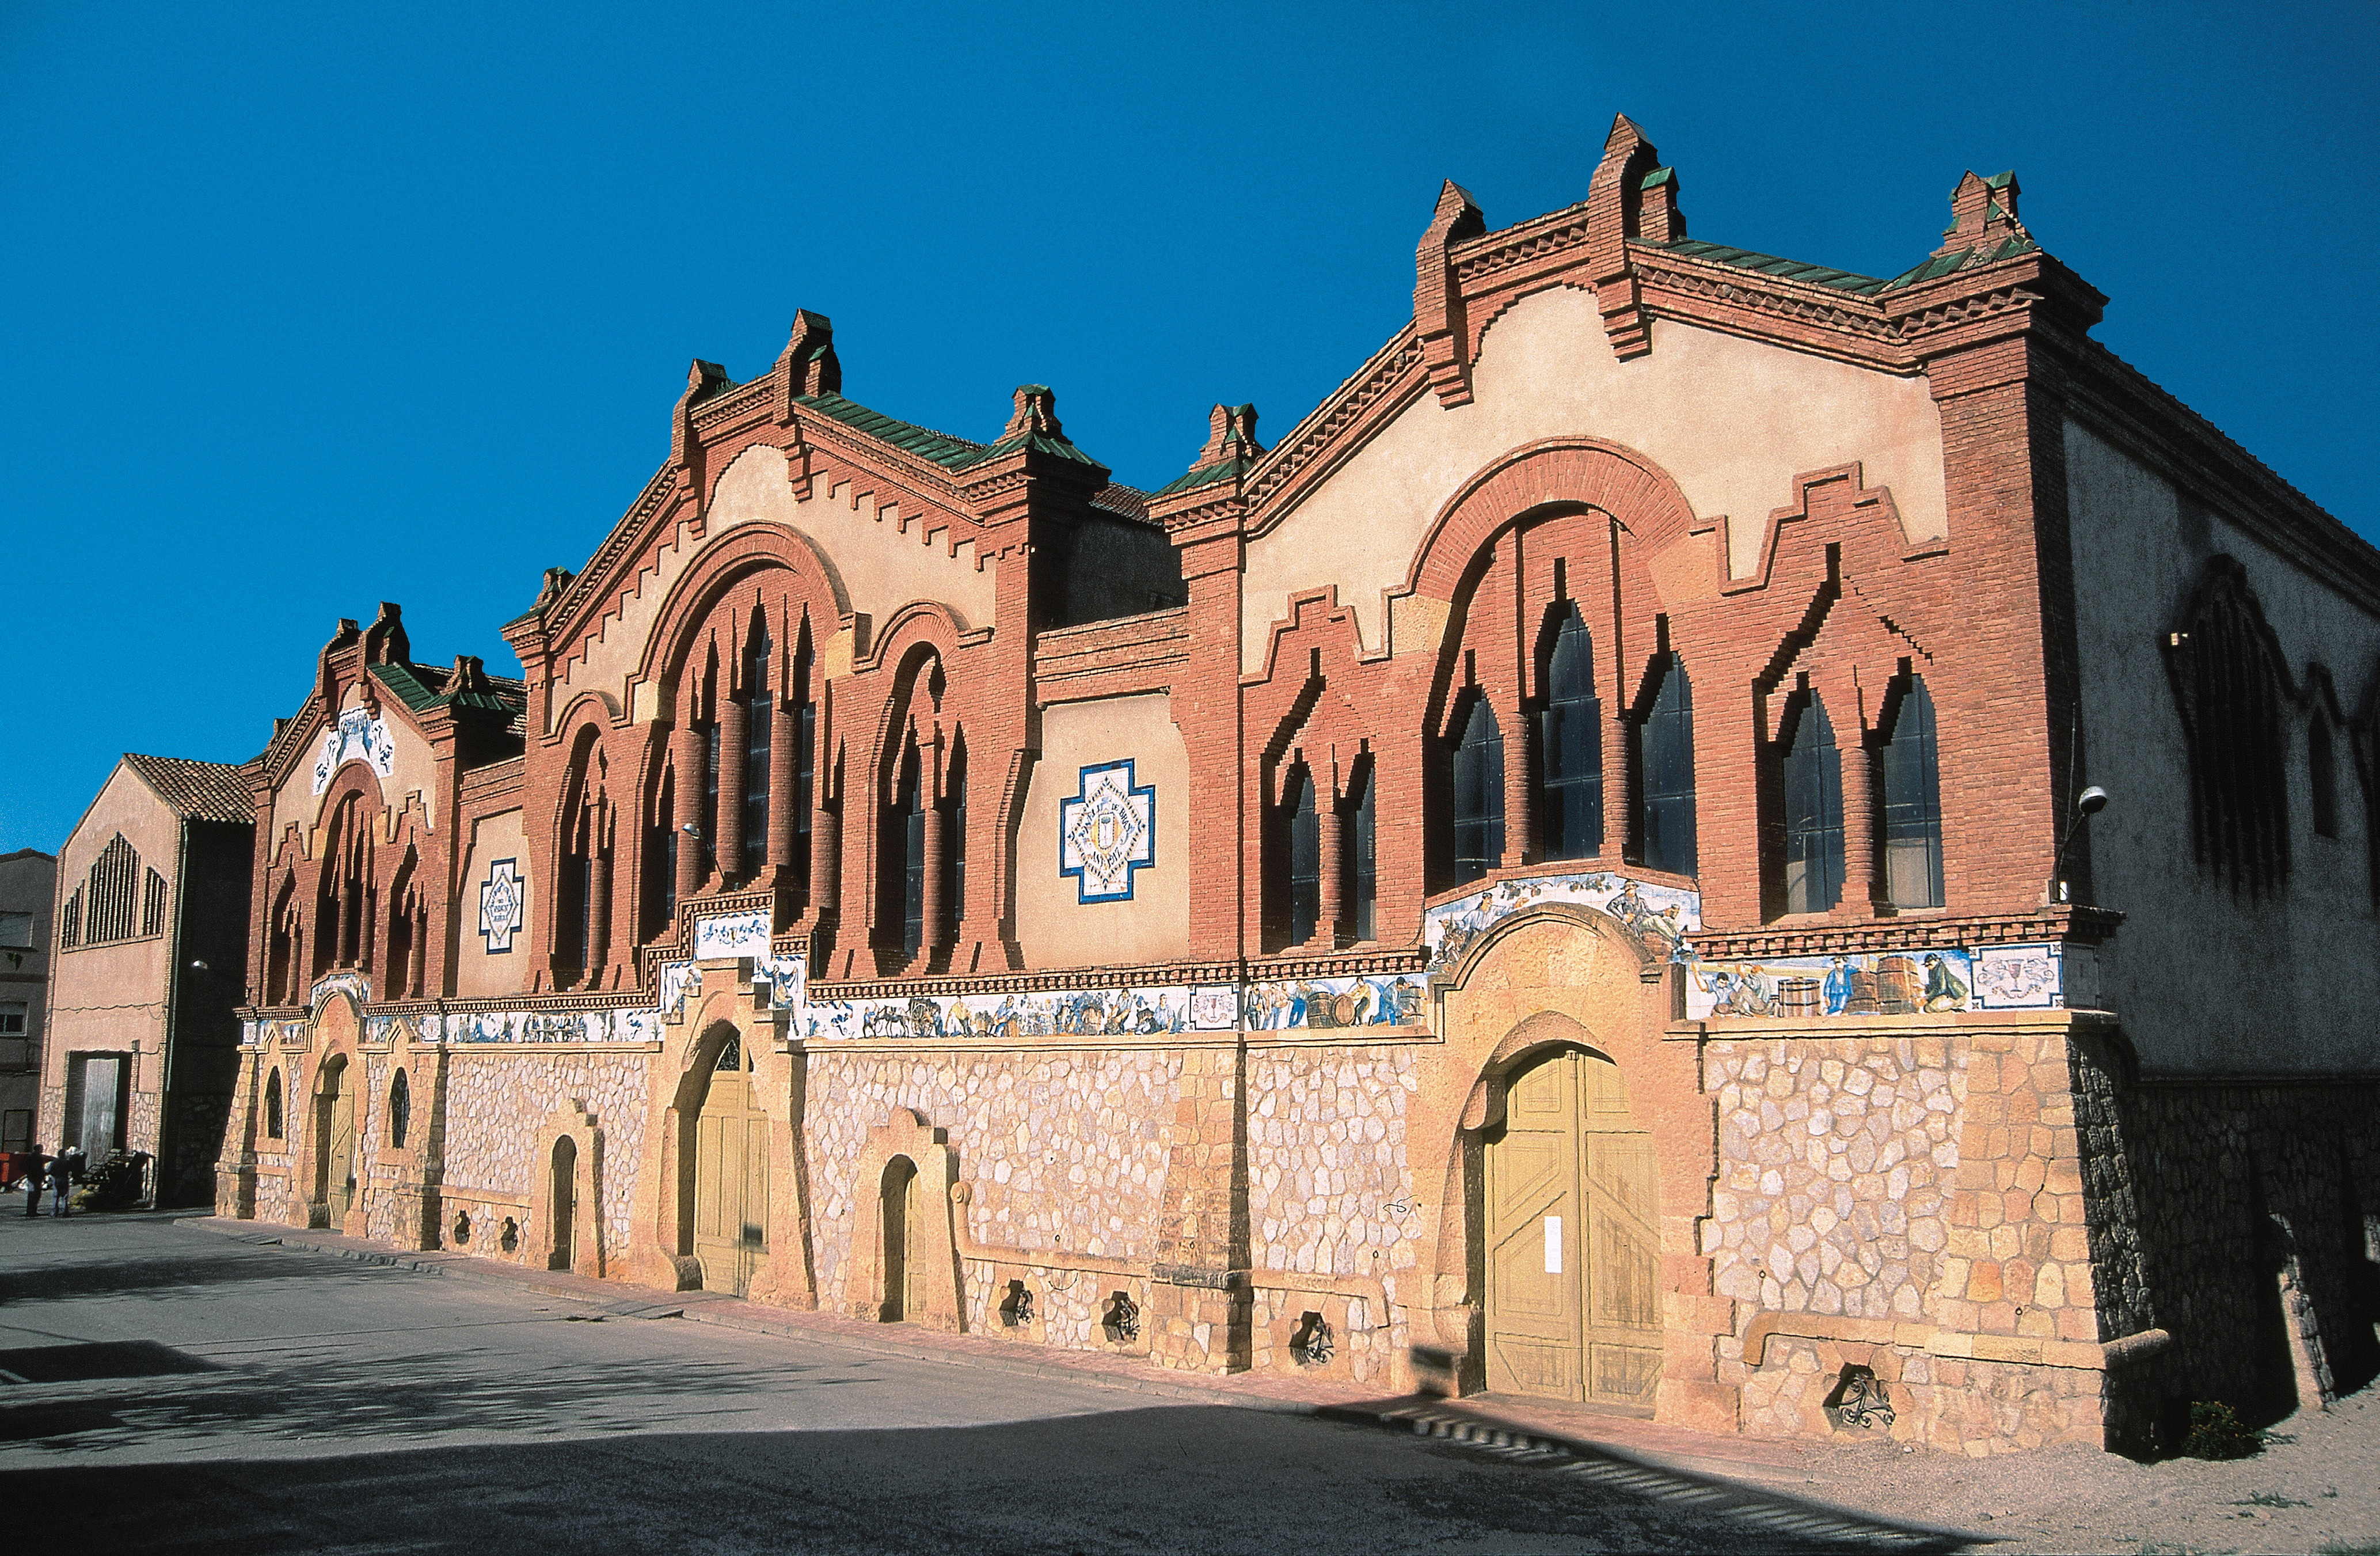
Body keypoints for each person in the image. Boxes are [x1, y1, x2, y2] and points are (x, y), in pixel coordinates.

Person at [49, 1145, 75, 1217]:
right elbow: (72, 1170)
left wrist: (54, 1175)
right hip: (64, 1178)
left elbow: (49, 1170)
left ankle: (54, 1213)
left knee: (56, 1196)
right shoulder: (67, 1162)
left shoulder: (55, 1162)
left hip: (57, 1178)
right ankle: (65, 1212)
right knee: (64, 1196)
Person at [22, 1145, 45, 1217]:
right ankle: (31, 1211)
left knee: (33, 1194)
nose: (42, 1150)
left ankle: (31, 1211)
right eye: (41, 1149)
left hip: (33, 1178)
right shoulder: (36, 1157)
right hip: (35, 1178)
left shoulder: (32, 1157)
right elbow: (40, 1168)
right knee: (34, 1194)